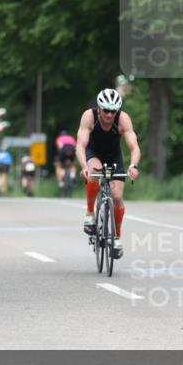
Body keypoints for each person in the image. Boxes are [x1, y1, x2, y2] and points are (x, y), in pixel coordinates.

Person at [76, 88, 141, 258]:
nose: (110, 115)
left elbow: (134, 147)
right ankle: (90, 213)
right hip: (93, 152)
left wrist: (133, 165)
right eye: (106, 110)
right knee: (94, 171)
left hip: (113, 156)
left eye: (114, 111)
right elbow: (81, 146)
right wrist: (84, 166)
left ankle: (116, 236)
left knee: (117, 197)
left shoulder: (123, 119)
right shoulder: (88, 117)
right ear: (99, 107)